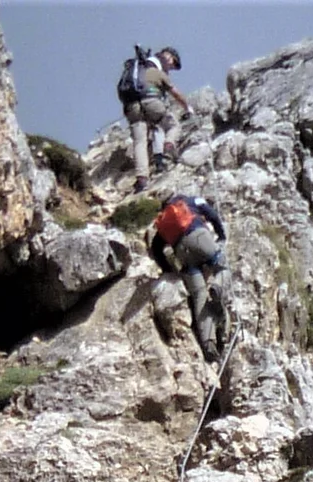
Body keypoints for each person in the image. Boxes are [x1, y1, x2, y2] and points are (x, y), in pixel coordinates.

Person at [147, 191, 226, 362]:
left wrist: (168, 269)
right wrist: (221, 235)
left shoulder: (164, 222)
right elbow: (212, 214)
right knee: (220, 266)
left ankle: (208, 344)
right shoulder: (191, 200)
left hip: (182, 253)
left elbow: (156, 249)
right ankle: (217, 287)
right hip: (199, 237)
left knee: (199, 296)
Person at [119, 45, 186, 189]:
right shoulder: (157, 71)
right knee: (173, 125)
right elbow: (176, 93)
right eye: (173, 63)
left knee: (139, 142)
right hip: (151, 102)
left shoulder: (138, 70)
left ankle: (142, 179)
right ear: (167, 56)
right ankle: (168, 146)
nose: (172, 68)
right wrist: (188, 107)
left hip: (131, 107)